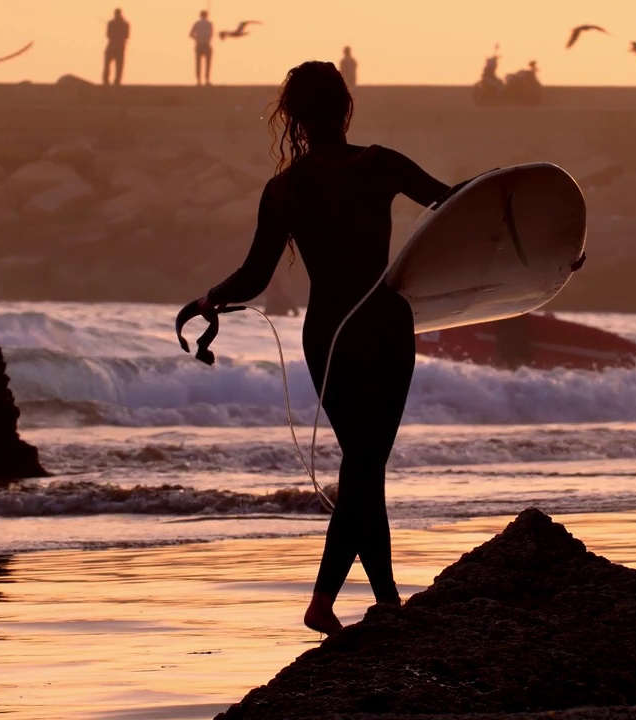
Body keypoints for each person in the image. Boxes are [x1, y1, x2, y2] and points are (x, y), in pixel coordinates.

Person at [191, 61, 459, 635]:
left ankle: (386, 602)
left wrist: (209, 299)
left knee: (365, 466)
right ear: (345, 106)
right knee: (366, 464)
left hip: (329, 334)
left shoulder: (285, 188)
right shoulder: (379, 164)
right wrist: (540, 242)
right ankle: (327, 601)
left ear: (294, 116)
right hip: (382, 325)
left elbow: (254, 276)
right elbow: (454, 203)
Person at [103, 8, 130, 86]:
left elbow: (108, 35)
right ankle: (114, 81)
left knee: (113, 64)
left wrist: (115, 35)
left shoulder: (112, 23)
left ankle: (109, 80)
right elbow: (126, 36)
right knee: (117, 65)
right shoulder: (125, 24)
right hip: (119, 46)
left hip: (114, 46)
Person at [190, 10, 213, 86]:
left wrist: (197, 39)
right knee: (208, 64)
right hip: (206, 45)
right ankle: (207, 80)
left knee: (198, 64)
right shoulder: (209, 24)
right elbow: (211, 35)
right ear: (206, 15)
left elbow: (191, 34)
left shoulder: (197, 23)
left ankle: (199, 80)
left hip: (199, 45)